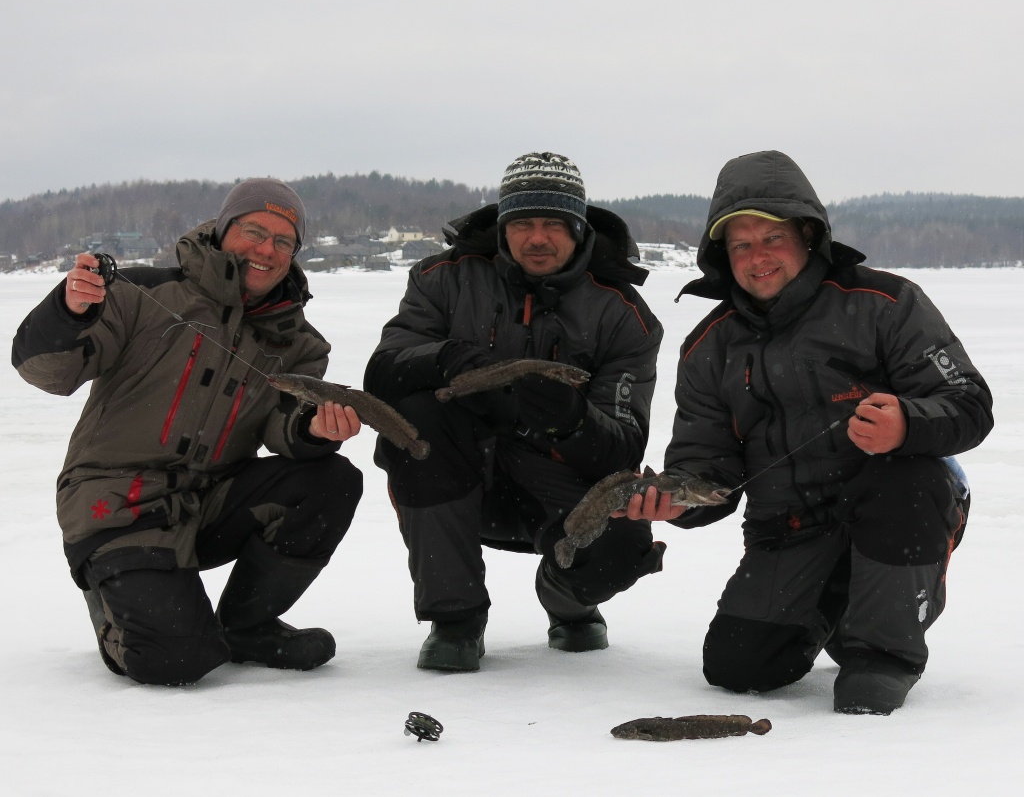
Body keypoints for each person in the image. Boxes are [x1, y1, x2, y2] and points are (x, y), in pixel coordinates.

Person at [622, 150, 993, 714]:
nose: (757, 257)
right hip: (789, 524)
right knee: (739, 667)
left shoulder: (886, 303)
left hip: (899, 498)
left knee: (907, 486)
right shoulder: (707, 347)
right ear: (723, 255)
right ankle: (846, 600)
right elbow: (708, 467)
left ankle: (881, 652)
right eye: (740, 244)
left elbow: (969, 404)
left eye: (771, 237)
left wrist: (906, 425)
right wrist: (678, 504)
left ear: (807, 235)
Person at [12, 178, 364, 685]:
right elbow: (48, 372)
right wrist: (69, 312)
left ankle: (248, 626)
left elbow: (282, 429)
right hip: (117, 504)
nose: (266, 249)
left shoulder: (300, 343)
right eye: (253, 231)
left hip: (210, 502)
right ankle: (113, 602)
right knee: (177, 659)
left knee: (331, 480)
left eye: (283, 241)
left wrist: (314, 430)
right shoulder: (140, 294)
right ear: (223, 230)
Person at [364, 152, 665, 671]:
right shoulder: (443, 279)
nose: (538, 238)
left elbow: (624, 442)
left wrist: (572, 419)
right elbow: (383, 373)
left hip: (555, 477)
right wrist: (446, 357)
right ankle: (455, 619)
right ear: (504, 228)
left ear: (578, 227)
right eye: (523, 223)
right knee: (415, 423)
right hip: (459, 472)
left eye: (554, 224)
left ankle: (567, 600)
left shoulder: (623, 313)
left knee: (622, 543)